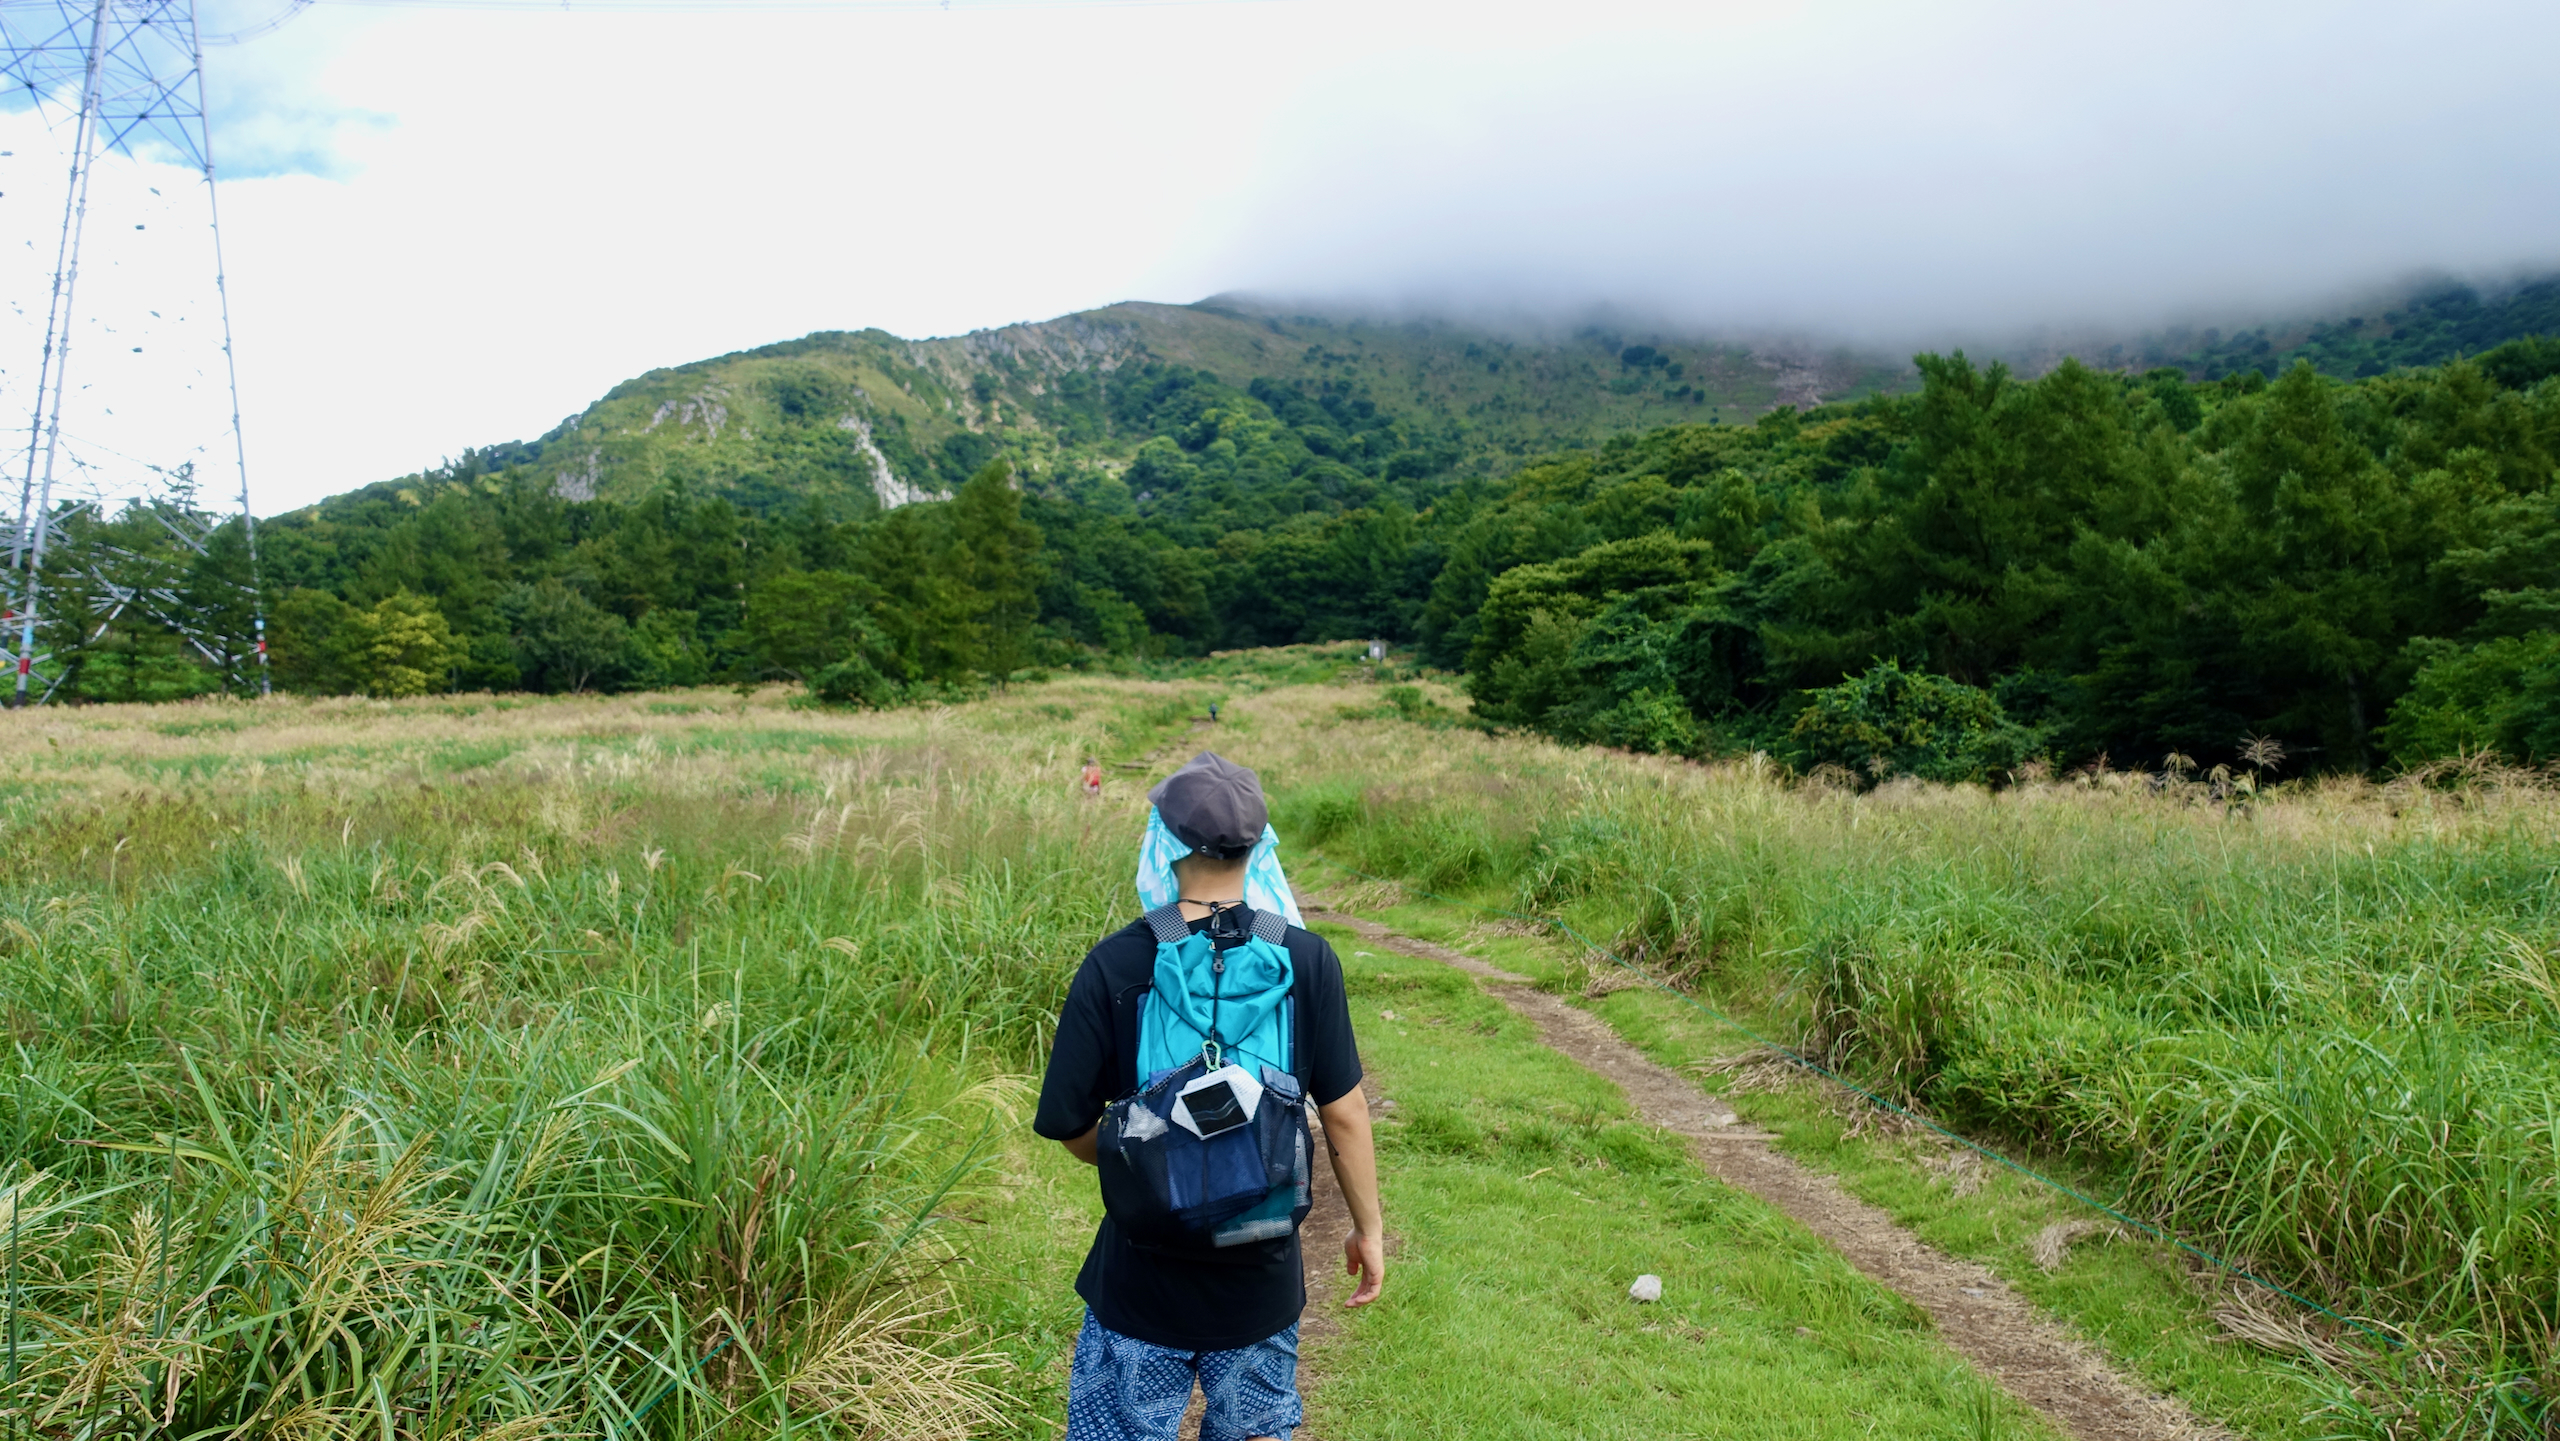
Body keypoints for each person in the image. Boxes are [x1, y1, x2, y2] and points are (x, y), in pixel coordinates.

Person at [1035, 751, 1384, 1441]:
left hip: (1140, 1278)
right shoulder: (1307, 958)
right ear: (1257, 844)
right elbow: (1344, 1112)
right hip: (1259, 1282)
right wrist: (1368, 1228)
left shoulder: (1119, 960)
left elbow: (1069, 1121)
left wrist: (1147, 1162)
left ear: (1163, 843)